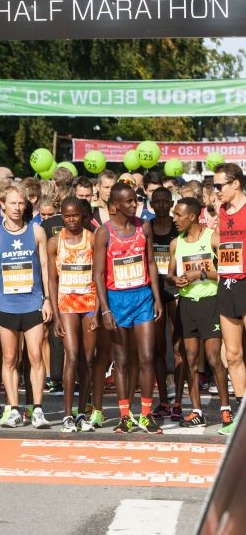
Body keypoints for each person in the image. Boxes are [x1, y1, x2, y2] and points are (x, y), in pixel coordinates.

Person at [92, 182, 164, 434]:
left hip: (142, 297)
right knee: (121, 361)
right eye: (129, 201)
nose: (134, 204)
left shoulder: (144, 226)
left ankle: (146, 414)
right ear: (116, 205)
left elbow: (151, 262)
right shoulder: (104, 232)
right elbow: (98, 274)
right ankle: (125, 416)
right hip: (116, 300)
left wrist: (157, 297)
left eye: (136, 200)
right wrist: (105, 309)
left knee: (146, 357)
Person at [0, 186, 52, 429]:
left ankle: (38, 409)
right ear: (2, 205)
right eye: (12, 203)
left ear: (26, 205)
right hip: (6, 305)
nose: (17, 208)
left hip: (32, 303)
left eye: (21, 203)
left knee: (35, 356)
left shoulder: (36, 231)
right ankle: (13, 409)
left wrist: (47, 299)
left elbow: (44, 267)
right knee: (10, 358)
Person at [167, 197, 233, 432]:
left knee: (213, 358)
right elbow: (169, 275)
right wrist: (175, 279)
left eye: (178, 215)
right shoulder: (176, 243)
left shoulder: (213, 238)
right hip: (187, 304)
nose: (174, 219)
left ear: (192, 216)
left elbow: (227, 270)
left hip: (210, 302)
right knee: (191, 359)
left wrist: (200, 274)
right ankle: (197, 412)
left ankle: (226, 411)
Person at [47, 197, 99, 432]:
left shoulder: (92, 239)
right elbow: (52, 280)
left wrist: (99, 310)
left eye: (75, 215)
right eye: (67, 216)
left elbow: (99, 275)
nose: (71, 220)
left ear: (82, 216)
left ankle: (81, 413)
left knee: (88, 359)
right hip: (66, 304)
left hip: (89, 303)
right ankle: (67, 415)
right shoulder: (54, 242)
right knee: (72, 355)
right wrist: (56, 315)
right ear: (61, 216)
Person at [214, 162, 246, 430]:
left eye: (219, 185)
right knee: (233, 354)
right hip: (226, 284)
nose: (216, 190)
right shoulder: (221, 211)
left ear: (236, 183)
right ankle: (241, 413)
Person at [148, 186, 182, 421]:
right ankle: (162, 401)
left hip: (175, 289)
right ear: (151, 205)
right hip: (154, 291)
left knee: (179, 346)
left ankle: (177, 402)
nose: (161, 205)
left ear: (171, 203)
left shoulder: (178, 228)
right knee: (158, 348)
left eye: (165, 201)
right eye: (157, 202)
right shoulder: (147, 227)